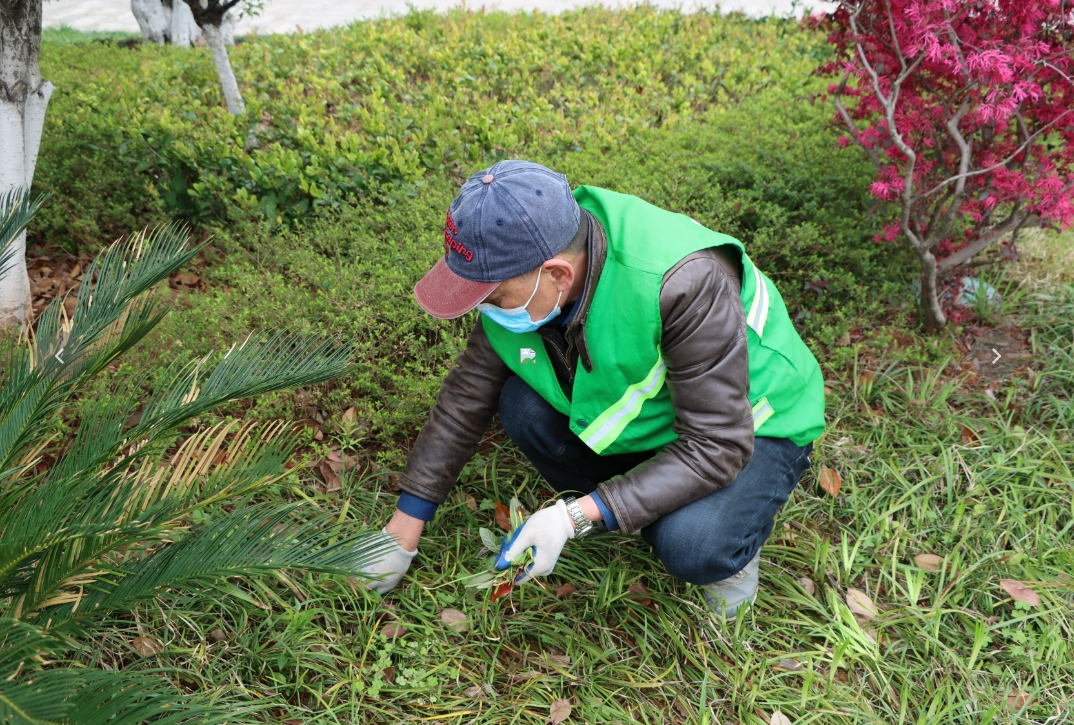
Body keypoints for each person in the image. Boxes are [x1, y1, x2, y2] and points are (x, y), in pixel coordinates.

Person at [359, 159, 825, 619]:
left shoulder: (683, 282)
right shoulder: (535, 253)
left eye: (494, 297)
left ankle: (720, 549)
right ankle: (642, 503)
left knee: (691, 544)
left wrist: (573, 516)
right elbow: (466, 397)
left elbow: (719, 444)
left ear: (558, 274)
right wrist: (404, 527)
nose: (487, 311)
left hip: (753, 423)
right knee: (522, 407)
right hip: (665, 416)